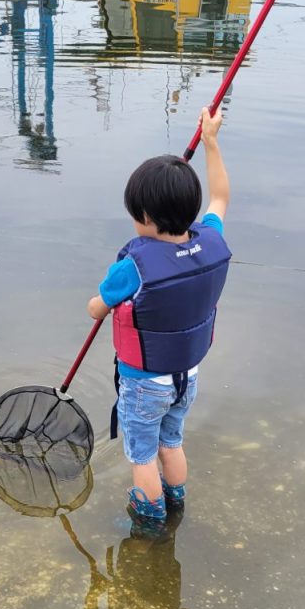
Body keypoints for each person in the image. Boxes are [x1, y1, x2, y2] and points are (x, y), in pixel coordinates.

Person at [88, 107, 231, 524]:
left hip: (144, 382)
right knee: (171, 442)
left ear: (146, 218)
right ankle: (176, 501)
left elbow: (96, 307)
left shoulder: (134, 266)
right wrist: (211, 141)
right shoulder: (211, 238)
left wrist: (101, 303)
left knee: (142, 455)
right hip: (188, 375)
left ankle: (150, 522)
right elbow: (220, 196)